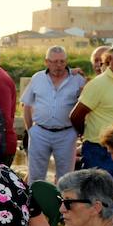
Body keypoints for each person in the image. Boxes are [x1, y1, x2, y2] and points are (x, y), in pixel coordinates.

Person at [70, 35, 113, 192]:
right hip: (99, 151)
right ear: (110, 58)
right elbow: (75, 116)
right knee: (96, 198)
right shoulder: (98, 84)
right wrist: (87, 133)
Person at [21, 46, 85, 184]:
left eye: (62, 61)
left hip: (66, 134)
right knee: (35, 175)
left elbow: (85, 105)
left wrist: (78, 131)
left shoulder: (77, 80)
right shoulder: (37, 78)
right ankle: (34, 204)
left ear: (66, 61)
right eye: (54, 61)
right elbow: (26, 104)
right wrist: (30, 130)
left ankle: (62, 204)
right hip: (40, 132)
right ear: (47, 62)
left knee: (66, 177)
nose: (59, 65)